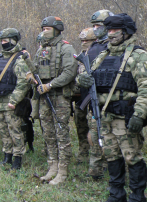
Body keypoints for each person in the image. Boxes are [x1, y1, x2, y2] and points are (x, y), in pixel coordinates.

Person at [79, 13, 147, 202]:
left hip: (125, 116)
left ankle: (137, 196)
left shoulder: (139, 56)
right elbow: (91, 78)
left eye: (116, 30)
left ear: (126, 32)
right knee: (111, 155)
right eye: (109, 30)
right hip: (104, 116)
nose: (111, 34)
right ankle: (116, 194)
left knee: (132, 157)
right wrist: (83, 80)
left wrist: (139, 115)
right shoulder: (103, 54)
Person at [27, 16, 78, 185]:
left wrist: (50, 85)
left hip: (60, 97)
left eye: (47, 29)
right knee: (48, 133)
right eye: (42, 29)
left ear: (56, 30)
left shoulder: (66, 48)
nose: (44, 32)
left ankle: (62, 171)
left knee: (61, 133)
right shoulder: (41, 49)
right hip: (43, 97)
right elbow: (34, 68)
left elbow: (70, 72)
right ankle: (52, 167)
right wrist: (30, 77)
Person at [0, 28, 31, 170]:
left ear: (13, 41)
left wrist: (14, 100)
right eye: (1, 41)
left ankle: (17, 158)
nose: (3, 43)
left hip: (11, 102)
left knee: (15, 131)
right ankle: (7, 155)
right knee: (3, 130)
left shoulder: (19, 59)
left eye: (5, 41)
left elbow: (23, 82)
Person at [83, 10, 113, 179]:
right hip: (93, 100)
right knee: (93, 134)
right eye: (93, 26)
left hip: (112, 100)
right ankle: (95, 171)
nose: (95, 29)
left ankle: (114, 167)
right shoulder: (93, 47)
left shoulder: (115, 47)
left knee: (112, 137)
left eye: (98, 26)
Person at [73, 28, 97, 164]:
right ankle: (83, 151)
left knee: (94, 129)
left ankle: (97, 156)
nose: (84, 43)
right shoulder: (79, 57)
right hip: (80, 98)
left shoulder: (99, 55)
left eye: (87, 41)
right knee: (80, 125)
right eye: (82, 41)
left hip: (94, 98)